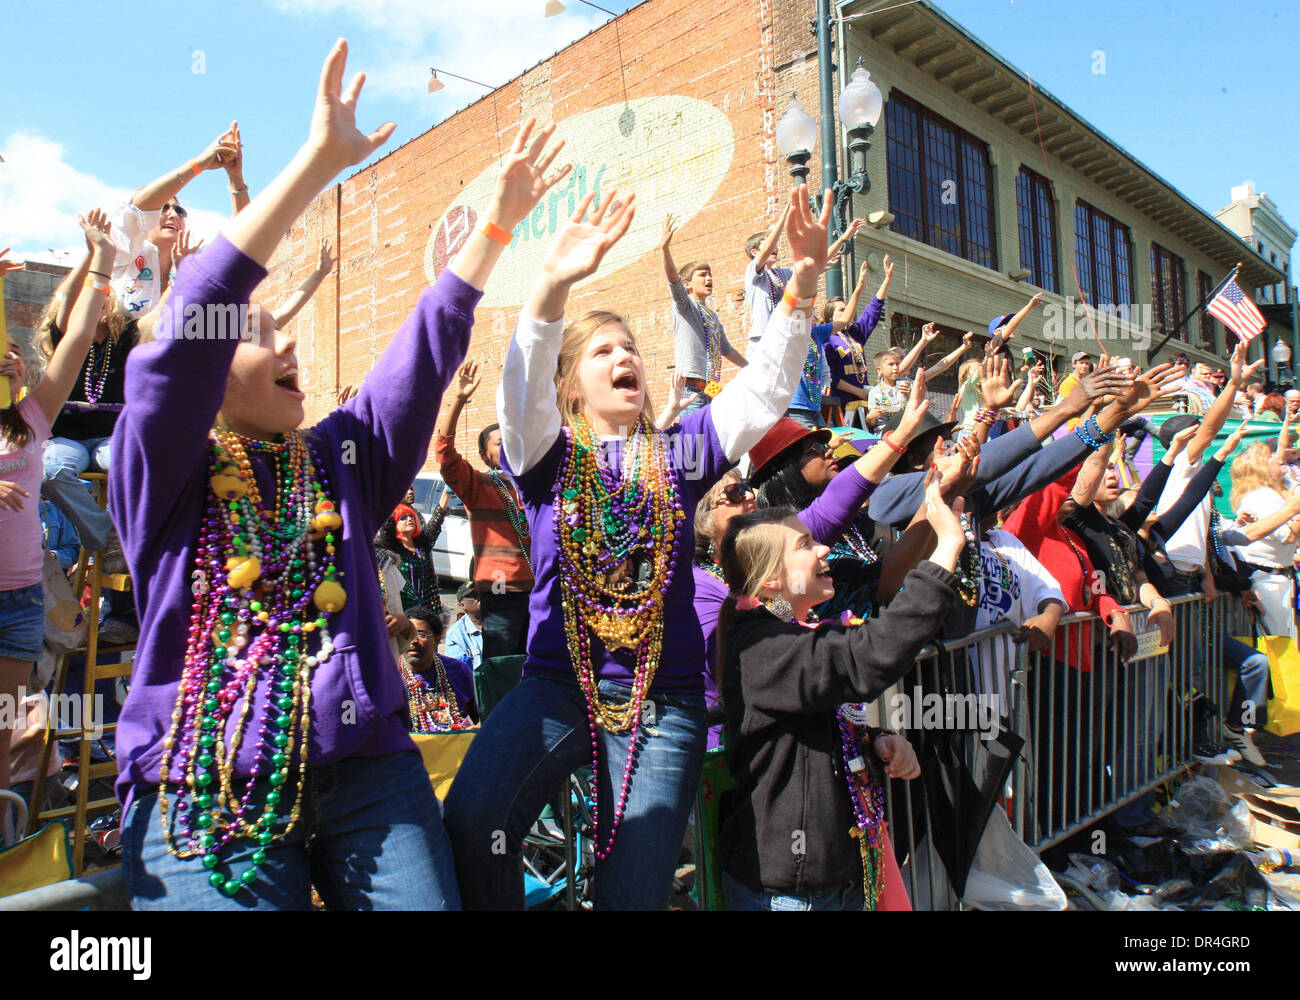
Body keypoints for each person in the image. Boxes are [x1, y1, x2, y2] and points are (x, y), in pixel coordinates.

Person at [110, 44, 570, 910]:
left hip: (370, 781)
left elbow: (416, 361)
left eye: (286, 329)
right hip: (205, 787)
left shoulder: (335, 459)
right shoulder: (163, 466)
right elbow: (176, 346)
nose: (289, 345)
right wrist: (317, 162)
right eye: (259, 333)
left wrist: (495, 230)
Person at [443, 183, 835, 910]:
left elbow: (763, 394)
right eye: (602, 350)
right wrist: (552, 285)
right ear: (571, 386)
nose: (625, 356)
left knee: (633, 892)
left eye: (630, 348)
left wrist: (803, 283)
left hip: (662, 702)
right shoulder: (546, 457)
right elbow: (518, 395)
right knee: (473, 821)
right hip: (556, 685)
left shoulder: (680, 453)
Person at [715, 471, 965, 910]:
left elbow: (814, 724)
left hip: (834, 875)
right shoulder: (760, 647)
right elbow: (867, 658)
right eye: (804, 545)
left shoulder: (787, 633)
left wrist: (876, 741)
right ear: (772, 581)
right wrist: (944, 552)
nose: (825, 549)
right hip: (793, 891)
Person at [1, 210, 117, 791]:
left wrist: (102, 258)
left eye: (14, 353)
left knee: (5, 731)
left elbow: (73, 340)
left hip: (20, 602)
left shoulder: (32, 421)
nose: (10, 357)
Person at [433, 359, 534, 659]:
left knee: (538, 668)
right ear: (484, 455)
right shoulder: (477, 486)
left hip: (540, 593)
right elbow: (445, 455)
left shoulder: (533, 483)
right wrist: (460, 400)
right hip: (501, 595)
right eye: (499, 444)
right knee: (503, 668)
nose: (508, 448)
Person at [660, 215, 746, 414]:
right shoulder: (685, 306)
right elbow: (674, 281)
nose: (709, 278)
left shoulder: (712, 316)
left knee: (710, 444)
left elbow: (727, 350)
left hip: (712, 389)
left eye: (710, 275)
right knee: (693, 443)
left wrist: (751, 367)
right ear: (687, 283)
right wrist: (665, 250)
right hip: (690, 391)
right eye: (702, 275)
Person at [1224, 440, 1300, 638]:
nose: (1279, 459)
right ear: (1262, 467)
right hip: (1268, 582)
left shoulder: (1266, 494)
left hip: (1271, 579)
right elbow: (1288, 536)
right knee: (1277, 642)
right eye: (1271, 457)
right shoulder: (1264, 497)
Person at [402, 604, 477, 731]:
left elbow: (481, 715)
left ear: (437, 640)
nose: (413, 640)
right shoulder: (389, 675)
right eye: (407, 634)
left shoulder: (457, 670)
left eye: (421, 634)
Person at [376, 498, 447, 614]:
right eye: (403, 518)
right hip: (403, 610)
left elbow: (437, 519)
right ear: (394, 524)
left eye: (412, 516)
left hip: (427, 607)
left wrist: (447, 493)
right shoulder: (390, 548)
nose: (409, 519)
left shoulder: (422, 544)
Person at [445, 582, 484, 671]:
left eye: (481, 593)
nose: (480, 598)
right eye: (474, 595)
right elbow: (458, 670)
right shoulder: (455, 634)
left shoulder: (499, 622)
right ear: (462, 605)